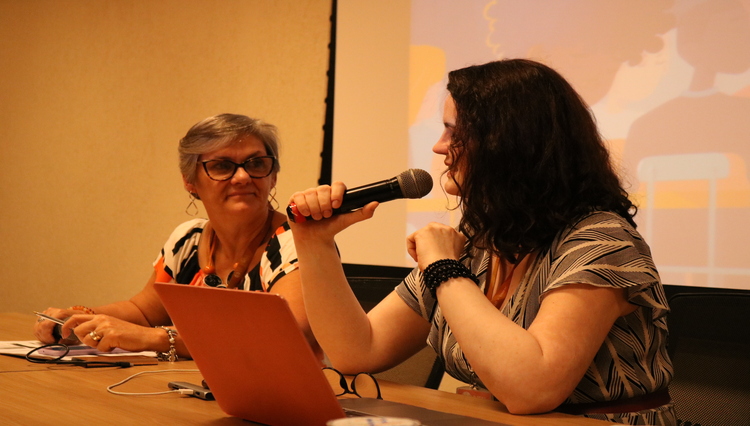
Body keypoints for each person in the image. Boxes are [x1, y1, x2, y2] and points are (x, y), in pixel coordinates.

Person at [288, 59, 675, 425]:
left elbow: (532, 388)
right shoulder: (481, 243)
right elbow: (358, 350)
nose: (439, 146)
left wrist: (443, 268)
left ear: (508, 143)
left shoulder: (601, 239)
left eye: (454, 131)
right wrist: (315, 243)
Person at [34, 113, 321, 361]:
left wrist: (157, 339)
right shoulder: (189, 238)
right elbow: (144, 311)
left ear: (273, 177)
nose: (243, 177)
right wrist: (79, 319)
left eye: (256, 164)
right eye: (222, 166)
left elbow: (286, 338)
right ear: (190, 181)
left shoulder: (295, 241)